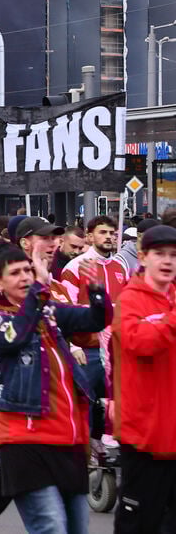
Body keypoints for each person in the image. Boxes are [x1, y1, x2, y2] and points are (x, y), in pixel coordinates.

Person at [0, 239, 109, 534]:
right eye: (15, 273)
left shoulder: (48, 310)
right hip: (25, 440)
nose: (25, 277)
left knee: (78, 528)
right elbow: (16, 335)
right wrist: (40, 288)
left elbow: (95, 320)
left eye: (28, 270)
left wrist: (96, 290)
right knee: (51, 527)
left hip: (68, 439)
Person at [112, 224, 176, 533]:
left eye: (173, 255)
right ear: (143, 257)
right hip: (143, 434)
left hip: (172, 431)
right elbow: (140, 343)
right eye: (159, 253)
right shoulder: (130, 299)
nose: (167, 261)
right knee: (138, 522)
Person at [60, 216, 126, 449]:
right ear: (89, 236)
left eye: (112, 233)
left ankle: (101, 450)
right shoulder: (75, 266)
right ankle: (82, 452)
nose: (108, 237)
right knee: (84, 400)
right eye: (102, 232)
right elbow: (66, 307)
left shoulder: (120, 267)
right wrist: (73, 346)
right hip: (86, 349)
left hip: (114, 348)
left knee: (110, 402)